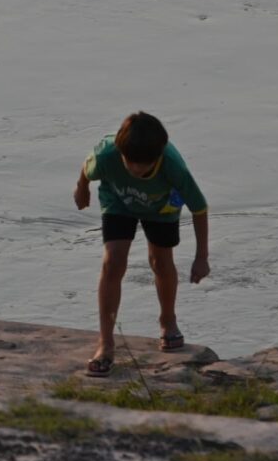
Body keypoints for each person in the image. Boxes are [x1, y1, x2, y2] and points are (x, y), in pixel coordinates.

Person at [73, 110, 210, 376]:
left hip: (162, 207)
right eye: (130, 162)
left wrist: (201, 257)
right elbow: (87, 170)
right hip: (118, 201)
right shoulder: (107, 155)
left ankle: (168, 320)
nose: (136, 169)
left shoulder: (173, 167)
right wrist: (81, 188)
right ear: (121, 152)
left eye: (144, 165)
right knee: (113, 262)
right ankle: (106, 343)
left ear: (158, 156)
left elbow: (200, 208)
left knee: (160, 261)